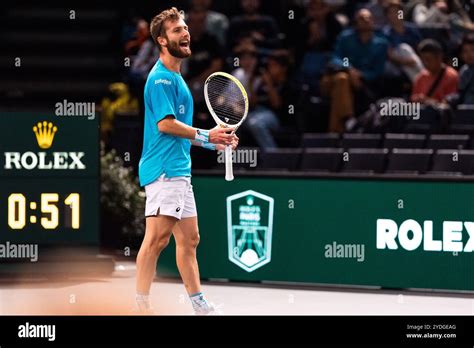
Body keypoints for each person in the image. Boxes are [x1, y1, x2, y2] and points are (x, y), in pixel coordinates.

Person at [135, 7, 238, 315]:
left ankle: (199, 305)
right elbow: (165, 125)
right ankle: (140, 304)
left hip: (180, 171)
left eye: (185, 28)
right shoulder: (161, 80)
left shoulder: (178, 80)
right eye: (177, 30)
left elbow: (182, 132)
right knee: (156, 240)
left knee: (190, 239)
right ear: (162, 41)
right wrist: (208, 136)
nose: (186, 33)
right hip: (164, 172)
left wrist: (215, 140)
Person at [321, 8, 388, 133]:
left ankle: (337, 131)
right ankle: (349, 119)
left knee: (341, 87)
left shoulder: (381, 44)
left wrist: (360, 75)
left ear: (373, 21)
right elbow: (335, 58)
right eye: (362, 18)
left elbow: (377, 71)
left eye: (369, 18)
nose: (366, 20)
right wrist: (349, 69)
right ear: (356, 22)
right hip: (335, 77)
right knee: (342, 79)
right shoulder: (345, 38)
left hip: (361, 84)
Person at [411, 39, 459, 104]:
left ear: (439, 57)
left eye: (428, 60)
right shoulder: (420, 77)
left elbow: (451, 102)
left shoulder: (452, 76)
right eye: (423, 60)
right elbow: (413, 99)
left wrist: (432, 102)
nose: (425, 63)